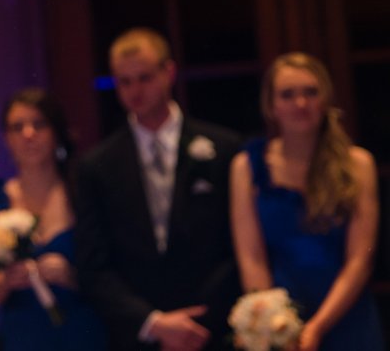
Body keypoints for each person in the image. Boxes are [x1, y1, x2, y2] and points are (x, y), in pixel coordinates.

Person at [75, 27, 241, 350]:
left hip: (210, 331)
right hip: (138, 337)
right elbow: (93, 265)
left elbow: (236, 248)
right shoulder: (97, 165)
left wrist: (199, 321)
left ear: (169, 72)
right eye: (125, 81)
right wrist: (152, 323)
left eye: (145, 78)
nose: (135, 90)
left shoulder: (223, 149)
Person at [230, 52, 384, 350]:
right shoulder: (247, 167)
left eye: (310, 93)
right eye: (288, 95)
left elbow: (360, 258)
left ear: (325, 98)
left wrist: (317, 327)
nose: (300, 104)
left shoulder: (358, 164)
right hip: (281, 318)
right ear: (271, 105)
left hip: (347, 314)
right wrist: (274, 325)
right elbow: (251, 258)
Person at [0, 88, 107, 350]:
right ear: (6, 137)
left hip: (82, 332)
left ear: (56, 132)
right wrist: (7, 280)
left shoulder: (82, 195)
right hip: (20, 337)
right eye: (17, 127)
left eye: (39, 124)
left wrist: (71, 275)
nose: (28, 134)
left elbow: (114, 270)